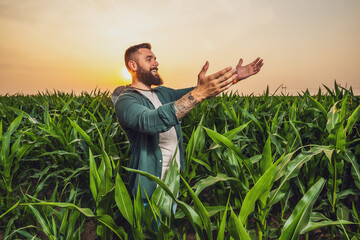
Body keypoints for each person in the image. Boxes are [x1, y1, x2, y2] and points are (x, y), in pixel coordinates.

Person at [113, 43, 263, 200]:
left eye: (155, 59)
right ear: (133, 65)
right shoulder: (126, 101)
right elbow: (151, 121)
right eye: (149, 59)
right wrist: (198, 94)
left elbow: (200, 91)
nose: (156, 63)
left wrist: (234, 77)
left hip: (174, 184)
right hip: (149, 190)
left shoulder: (163, 93)